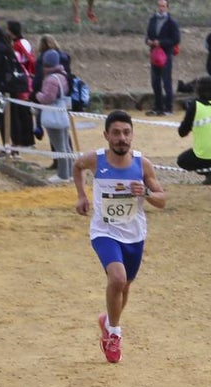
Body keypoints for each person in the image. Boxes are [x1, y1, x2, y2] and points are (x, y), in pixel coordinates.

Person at [72, 110, 167, 363]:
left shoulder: (141, 164)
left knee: (124, 287)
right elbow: (77, 166)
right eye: (116, 133)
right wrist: (81, 195)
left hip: (134, 234)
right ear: (106, 135)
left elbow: (162, 200)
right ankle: (114, 334)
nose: (121, 138)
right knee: (117, 277)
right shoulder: (96, 160)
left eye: (126, 132)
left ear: (132, 135)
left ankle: (108, 320)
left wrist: (145, 192)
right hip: (104, 232)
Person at [34, 49, 73, 182]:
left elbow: (47, 98)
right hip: (62, 114)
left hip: (53, 115)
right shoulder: (62, 75)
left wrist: (38, 95)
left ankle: (63, 175)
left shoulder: (50, 79)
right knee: (66, 146)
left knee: (59, 146)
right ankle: (70, 172)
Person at [145, 0, 180, 116]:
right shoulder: (152, 20)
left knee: (166, 81)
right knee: (155, 81)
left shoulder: (171, 22)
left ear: (167, 8)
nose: (161, 8)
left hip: (166, 55)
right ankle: (157, 107)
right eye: (159, 6)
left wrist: (161, 43)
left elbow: (176, 39)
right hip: (155, 55)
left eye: (163, 6)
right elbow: (147, 36)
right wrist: (148, 42)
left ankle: (168, 108)